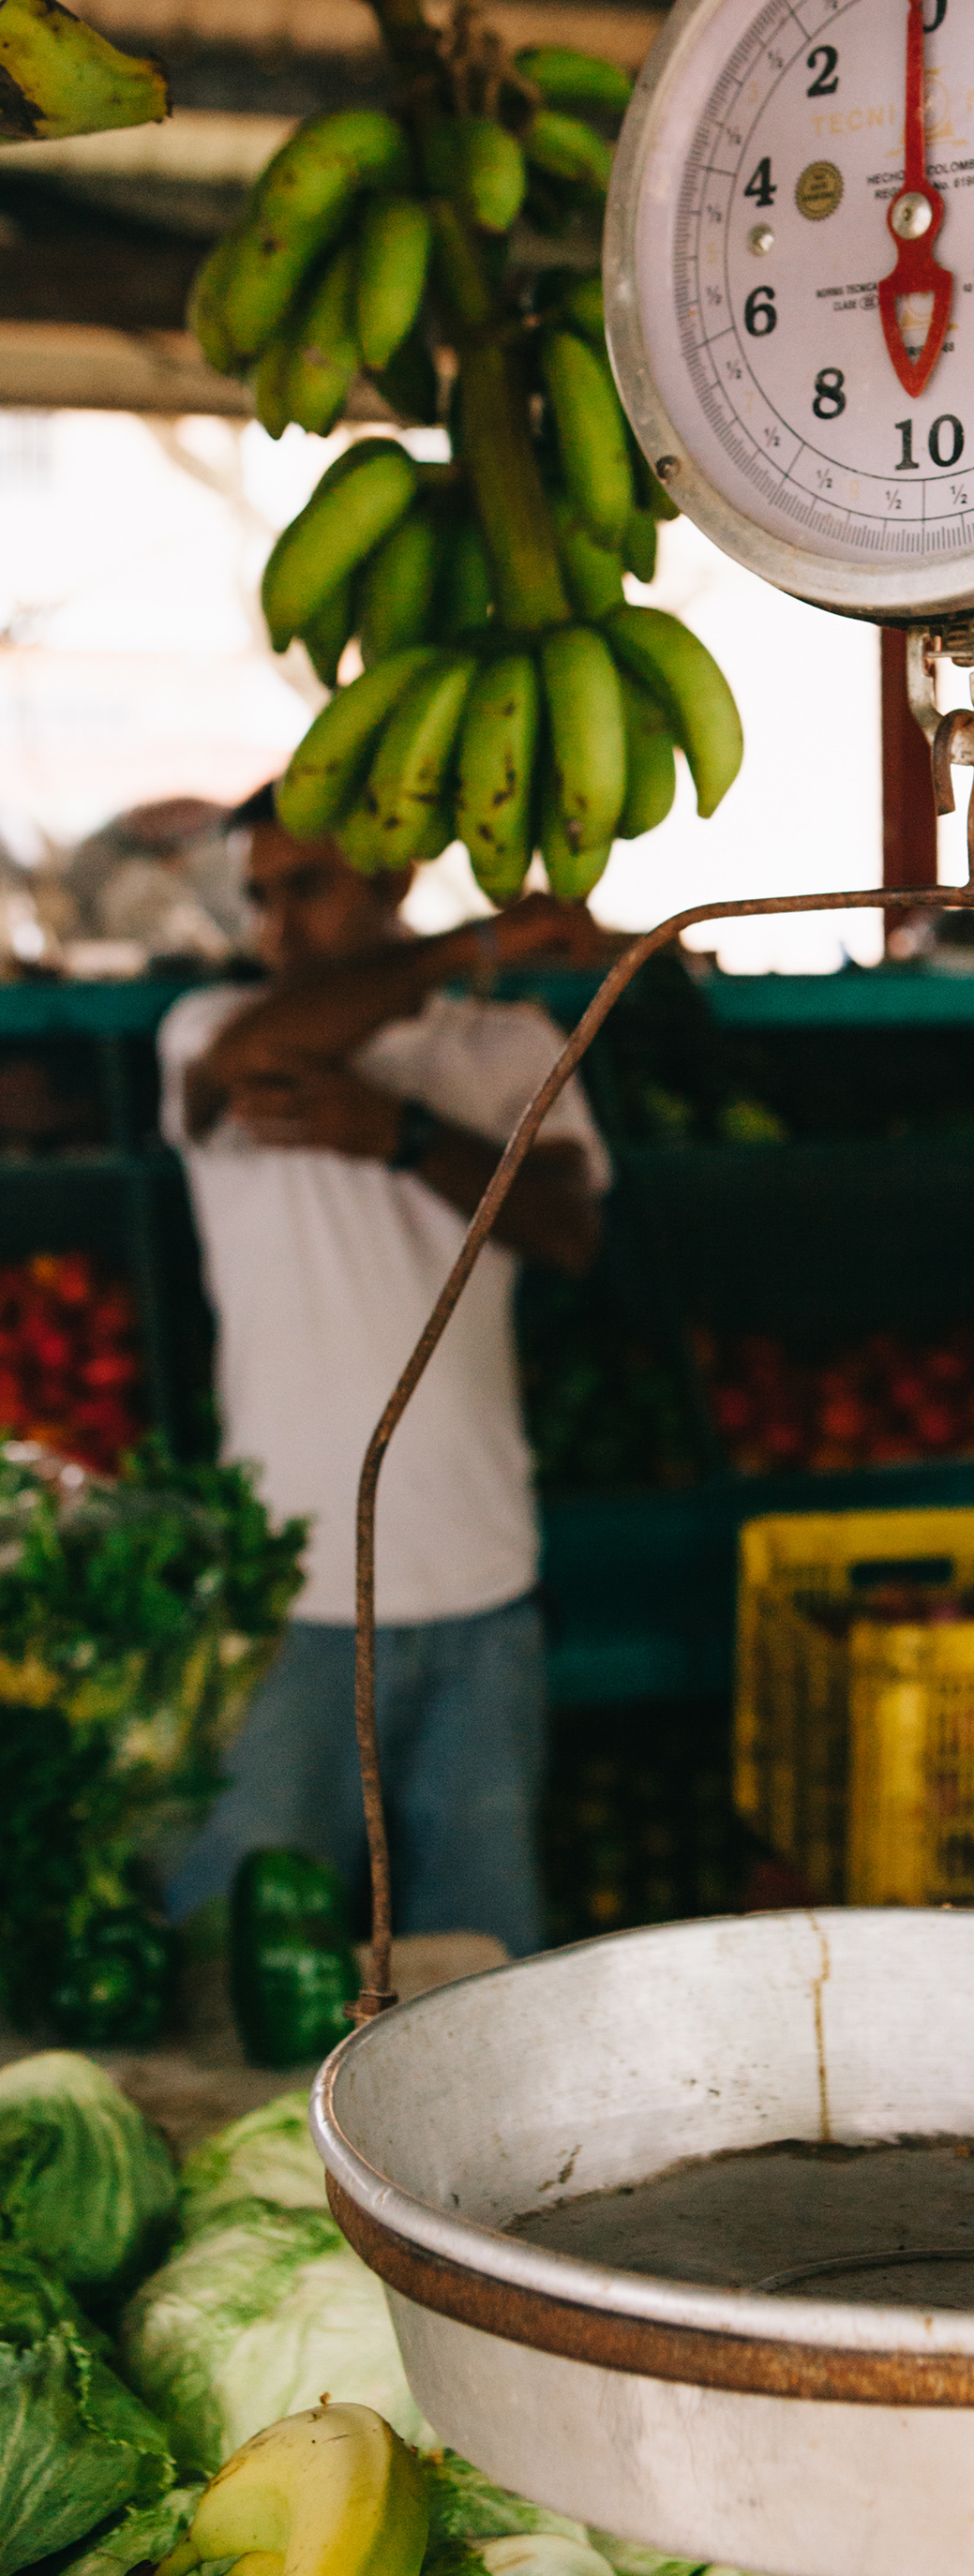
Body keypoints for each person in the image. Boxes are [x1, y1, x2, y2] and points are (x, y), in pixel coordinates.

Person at [157, 786, 612, 1958]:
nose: (275, 928)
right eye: (258, 897)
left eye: (304, 887)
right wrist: (485, 939)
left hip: (478, 1584)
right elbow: (253, 1050)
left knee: (481, 1965)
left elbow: (569, 1228)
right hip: (287, 1597)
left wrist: (399, 1137)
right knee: (243, 1963)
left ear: (395, 879)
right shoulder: (214, 1032)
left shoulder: (504, 1045)